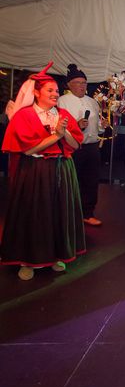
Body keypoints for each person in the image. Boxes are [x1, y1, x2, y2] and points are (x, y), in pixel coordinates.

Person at [1, 62, 85, 280]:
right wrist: (56, 135)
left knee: (58, 213)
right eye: (50, 90)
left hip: (62, 169)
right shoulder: (25, 116)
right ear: (36, 93)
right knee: (33, 213)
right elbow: (28, 149)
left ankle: (56, 255)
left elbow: (75, 145)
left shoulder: (63, 113)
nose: (55, 94)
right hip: (35, 170)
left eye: (57, 90)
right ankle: (26, 260)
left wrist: (64, 132)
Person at [58, 64, 108, 226]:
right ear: (69, 84)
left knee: (91, 181)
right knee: (71, 180)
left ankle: (88, 213)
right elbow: (58, 125)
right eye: (78, 82)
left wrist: (103, 125)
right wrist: (76, 125)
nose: (82, 86)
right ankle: (66, 213)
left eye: (84, 83)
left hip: (92, 146)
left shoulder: (93, 102)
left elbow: (97, 127)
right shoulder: (62, 101)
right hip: (72, 147)